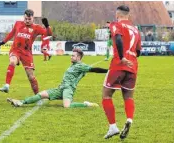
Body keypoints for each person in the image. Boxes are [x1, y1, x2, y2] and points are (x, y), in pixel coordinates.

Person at [7, 48, 108, 108]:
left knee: (67, 106)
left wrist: (108, 71)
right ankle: (21, 102)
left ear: (78, 58)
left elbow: (94, 69)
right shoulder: (73, 65)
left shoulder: (81, 65)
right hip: (60, 88)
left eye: (73, 56)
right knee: (41, 94)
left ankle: (86, 104)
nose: (71, 57)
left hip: (68, 89)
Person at [101, 5, 141, 140]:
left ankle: (113, 127)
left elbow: (117, 38)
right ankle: (129, 119)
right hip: (133, 66)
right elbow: (139, 51)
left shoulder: (116, 24)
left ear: (117, 14)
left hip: (119, 63)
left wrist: (123, 58)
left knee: (106, 94)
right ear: (128, 15)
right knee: (128, 96)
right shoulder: (136, 29)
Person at [0, 9, 52, 94]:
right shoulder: (18, 23)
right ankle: (6, 85)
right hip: (16, 50)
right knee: (12, 62)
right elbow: (11, 33)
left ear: (33, 18)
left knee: (31, 77)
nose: (27, 20)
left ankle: (37, 96)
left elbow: (48, 34)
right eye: (25, 18)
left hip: (27, 53)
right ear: (24, 17)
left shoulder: (36, 28)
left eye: (29, 19)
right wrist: (3, 42)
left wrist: (47, 26)